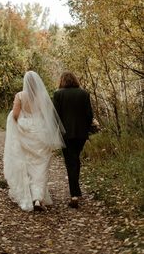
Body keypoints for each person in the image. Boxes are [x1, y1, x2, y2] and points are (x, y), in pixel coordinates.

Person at [4, 71, 65, 212]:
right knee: (41, 165)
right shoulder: (43, 97)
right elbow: (47, 116)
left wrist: (22, 124)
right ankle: (38, 198)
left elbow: (15, 115)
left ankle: (31, 194)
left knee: (28, 163)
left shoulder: (20, 96)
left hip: (26, 133)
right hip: (40, 133)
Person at [53, 71, 93, 209]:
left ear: (62, 80)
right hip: (81, 134)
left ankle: (74, 195)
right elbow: (89, 115)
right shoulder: (84, 94)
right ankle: (76, 191)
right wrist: (86, 129)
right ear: (75, 80)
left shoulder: (58, 94)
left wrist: (55, 131)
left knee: (71, 162)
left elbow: (55, 116)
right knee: (75, 159)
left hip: (66, 134)